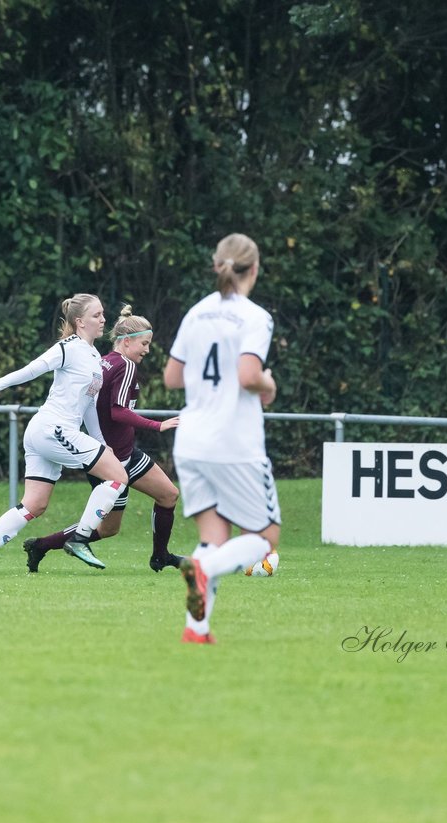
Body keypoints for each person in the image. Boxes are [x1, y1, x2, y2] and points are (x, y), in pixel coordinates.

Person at [162, 233, 281, 643]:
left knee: (213, 539)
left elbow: (172, 377)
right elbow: (249, 375)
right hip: (234, 442)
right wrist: (267, 383)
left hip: (191, 439)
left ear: (217, 265)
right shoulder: (255, 317)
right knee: (264, 539)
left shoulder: (196, 313)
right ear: (255, 268)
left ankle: (197, 629)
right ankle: (204, 569)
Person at [0, 293, 128, 574]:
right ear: (80, 321)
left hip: (47, 432)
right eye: (97, 315)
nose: (103, 319)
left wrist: (102, 443)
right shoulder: (68, 347)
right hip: (53, 429)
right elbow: (32, 369)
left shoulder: (93, 356)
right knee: (118, 477)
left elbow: (88, 406)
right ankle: (80, 539)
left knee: (34, 504)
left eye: (102, 314)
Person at [21, 306, 185, 574]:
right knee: (111, 526)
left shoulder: (104, 361)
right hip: (113, 457)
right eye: (144, 343)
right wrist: (158, 425)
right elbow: (118, 411)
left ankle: (160, 555)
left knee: (166, 496)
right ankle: (42, 545)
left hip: (119, 452)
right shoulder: (126, 365)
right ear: (127, 340)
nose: (147, 350)